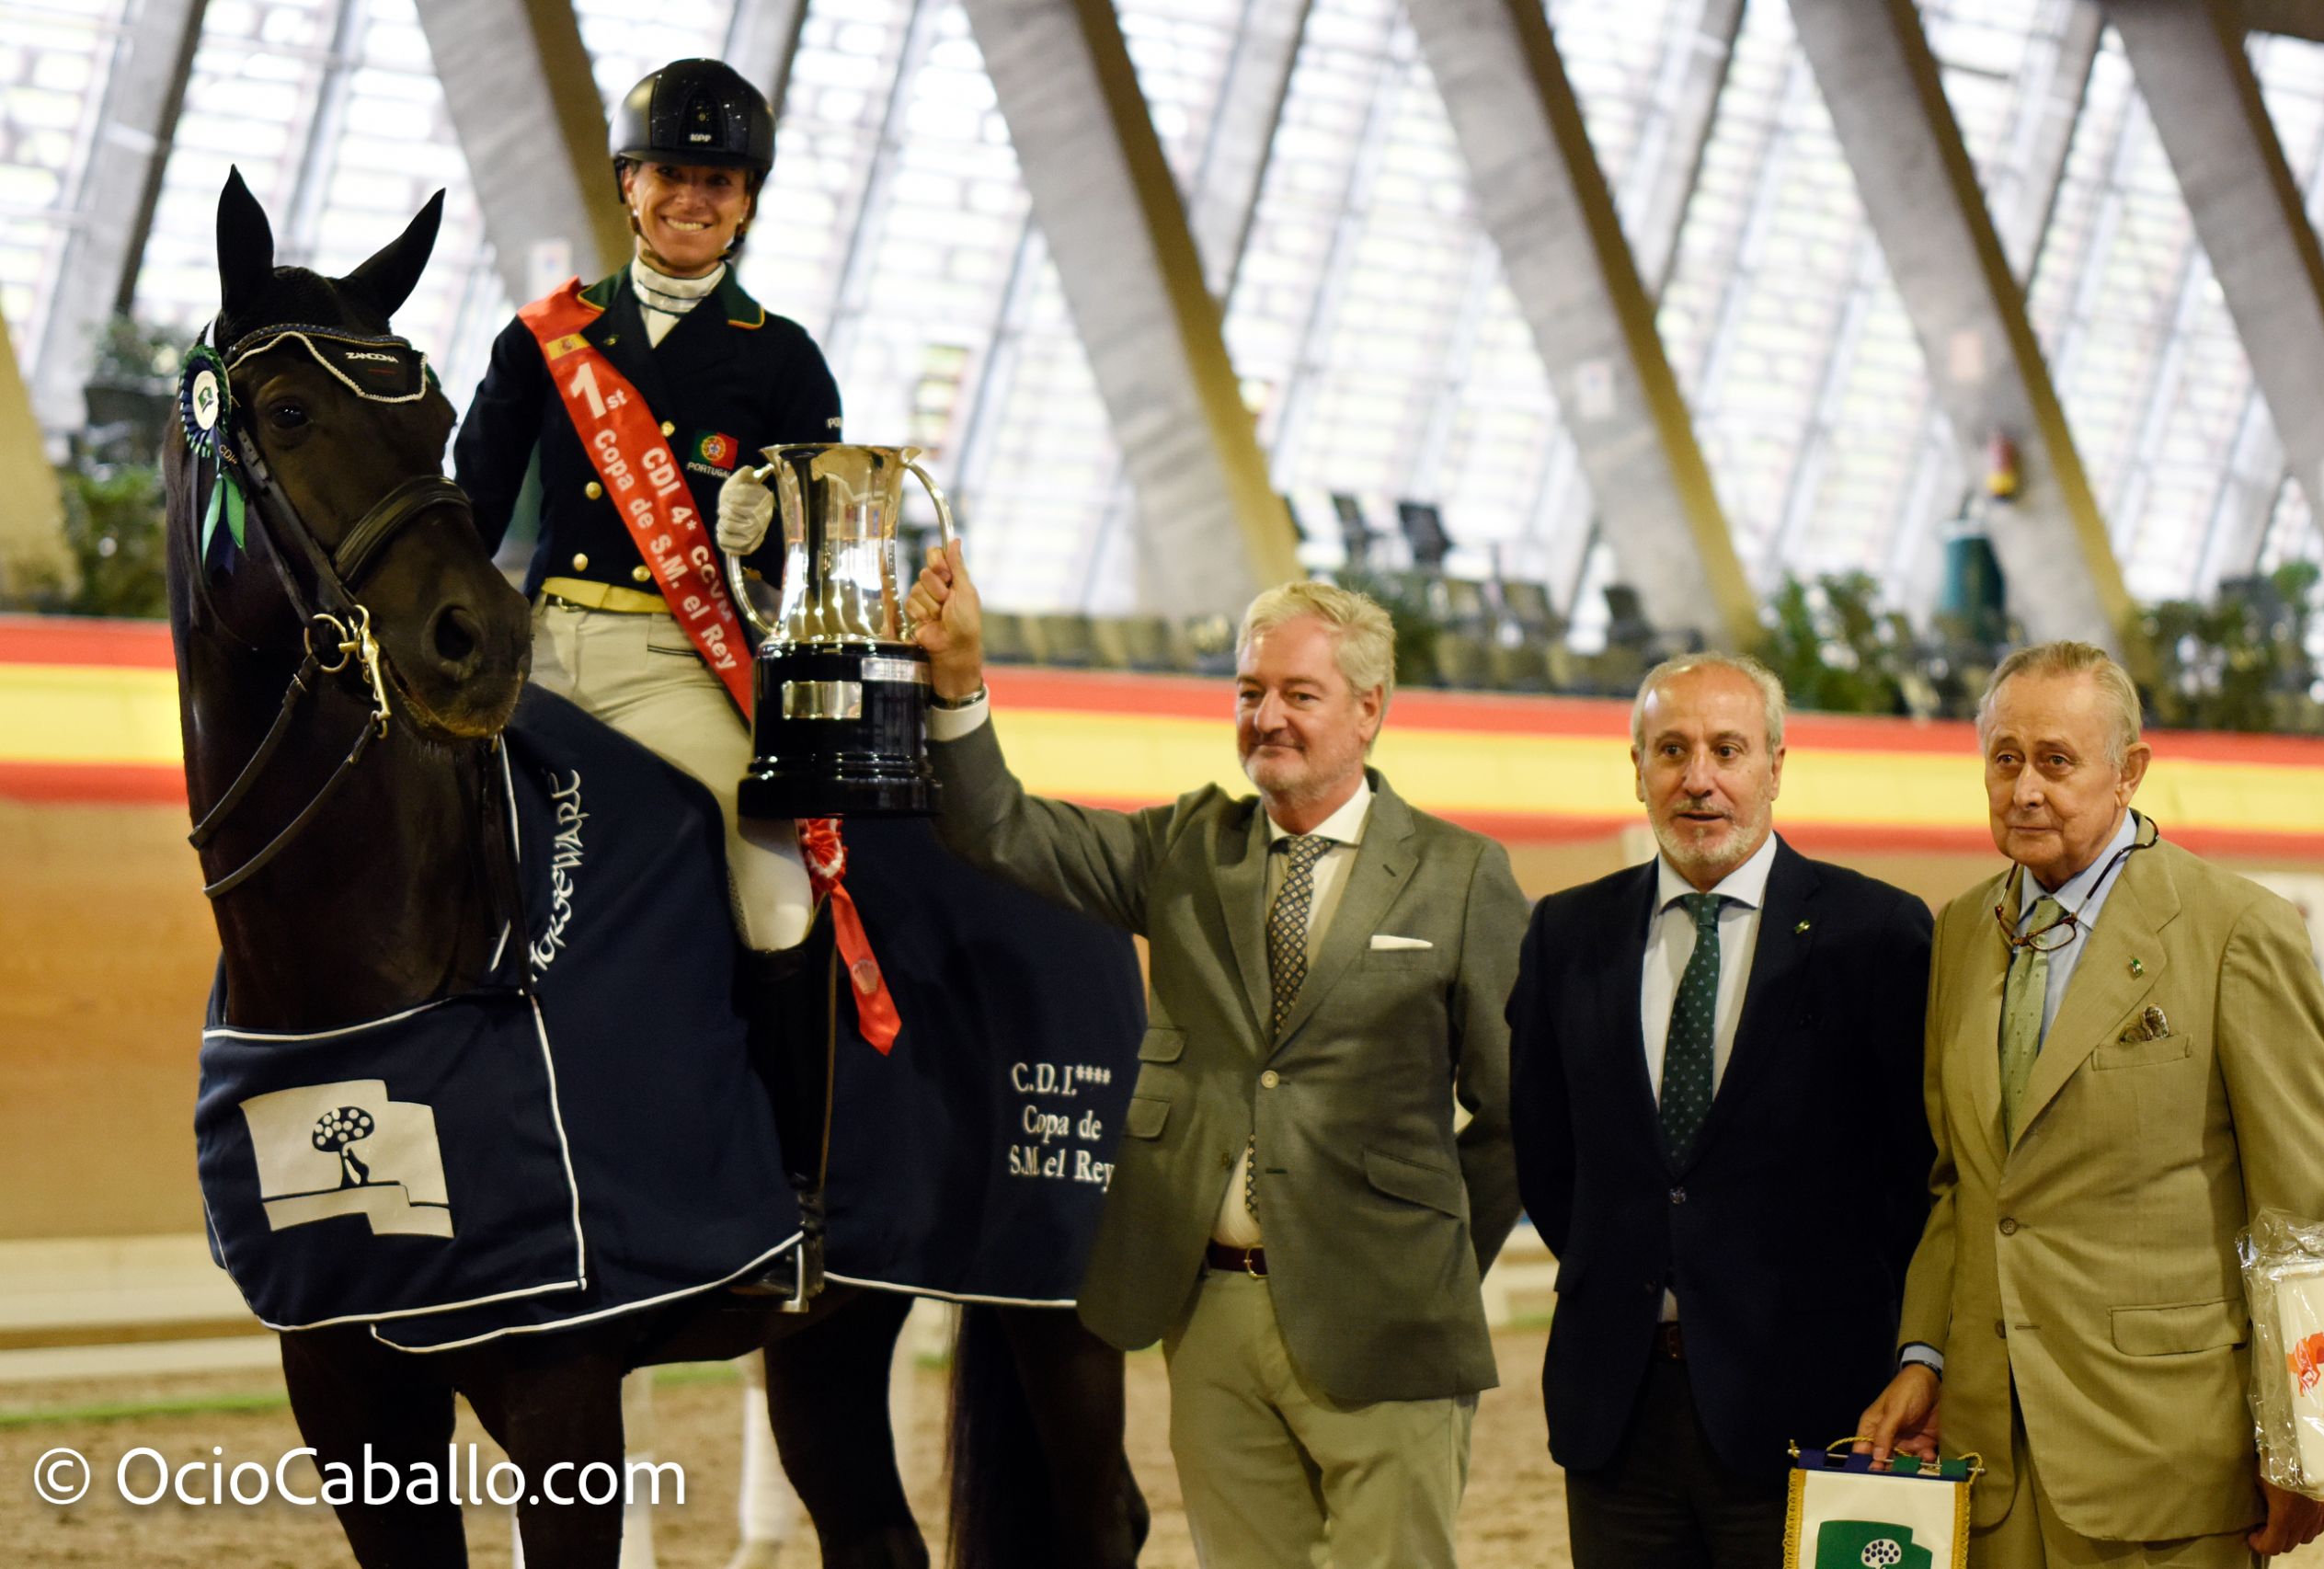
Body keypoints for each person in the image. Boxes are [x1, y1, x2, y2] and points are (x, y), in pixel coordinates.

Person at [904, 548, 1526, 1569]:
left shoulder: (1462, 875)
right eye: (1249, 690)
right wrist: (960, 678)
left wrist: (1434, 1262)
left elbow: (1516, 1112)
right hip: (1211, 1315)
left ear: (1368, 709)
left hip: (1389, 1319)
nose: (1267, 715)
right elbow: (1000, 830)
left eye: (1299, 692)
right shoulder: (1188, 845)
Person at [452, 57, 843, 1269]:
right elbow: (467, 505)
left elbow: (824, 554)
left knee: (774, 875)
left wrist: (765, 529)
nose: (695, 198)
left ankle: (799, 1176)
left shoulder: (783, 360)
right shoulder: (547, 340)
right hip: (549, 646)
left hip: (683, 657)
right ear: (631, 185)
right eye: (674, 172)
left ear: (748, 199)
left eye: (719, 180)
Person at [1859, 640, 2324, 1567]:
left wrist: (2314, 1444)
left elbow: (2310, 1211)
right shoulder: (1961, 931)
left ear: (2129, 771)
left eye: (2056, 759)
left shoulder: (2235, 931)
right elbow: (1958, 1186)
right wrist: (1923, 1356)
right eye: (2004, 758)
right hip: (1991, 1458)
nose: (2024, 789)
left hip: (2172, 1460)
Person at [1506, 652, 1934, 1567]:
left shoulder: (1878, 935)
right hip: (1615, 1411)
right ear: (1636, 769)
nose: (1697, 777)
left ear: (1775, 766)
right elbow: (1544, 1153)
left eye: (1726, 749)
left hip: (1814, 1408)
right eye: (1671, 749)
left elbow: (1913, 1171)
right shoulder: (1565, 934)